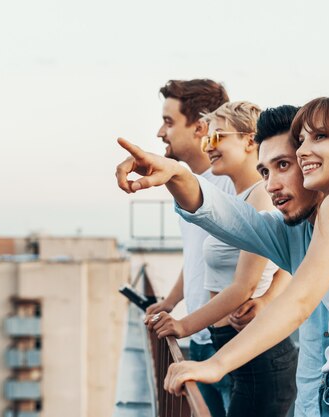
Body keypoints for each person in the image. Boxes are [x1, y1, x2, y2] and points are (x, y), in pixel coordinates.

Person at [115, 102, 329, 417]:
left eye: (285, 162)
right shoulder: (312, 227)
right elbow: (227, 216)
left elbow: (299, 301)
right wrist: (177, 174)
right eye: (265, 172)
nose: (271, 185)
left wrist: (215, 364)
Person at [146, 101, 297, 417]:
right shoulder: (237, 200)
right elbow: (289, 254)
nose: (208, 147)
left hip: (258, 354)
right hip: (232, 344)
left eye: (216, 138)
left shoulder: (261, 196)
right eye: (205, 140)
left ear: (249, 140)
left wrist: (182, 325)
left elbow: (244, 287)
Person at [146, 79, 234, 416]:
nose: (159, 132)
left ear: (200, 127)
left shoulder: (228, 183)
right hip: (201, 339)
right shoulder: (195, 186)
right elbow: (199, 255)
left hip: (229, 344)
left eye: (169, 122)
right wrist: (170, 301)